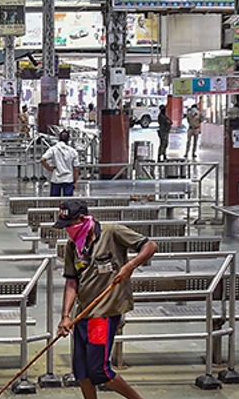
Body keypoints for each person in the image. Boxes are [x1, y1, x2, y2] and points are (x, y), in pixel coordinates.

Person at [55, 199, 157, 399]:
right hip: (83, 312)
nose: (67, 230)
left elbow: (150, 246)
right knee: (81, 370)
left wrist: (130, 266)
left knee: (99, 370)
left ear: (83, 219)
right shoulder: (73, 245)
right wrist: (65, 316)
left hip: (104, 314)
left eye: (69, 225)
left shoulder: (112, 232)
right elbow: (71, 282)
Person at [41, 130, 80, 197]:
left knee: (54, 202)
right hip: (68, 179)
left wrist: (50, 169)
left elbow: (42, 160)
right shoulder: (73, 151)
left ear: (59, 138)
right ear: (68, 139)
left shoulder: (53, 149)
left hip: (56, 178)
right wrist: (75, 181)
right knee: (68, 202)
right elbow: (76, 168)